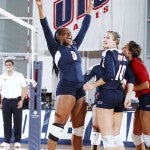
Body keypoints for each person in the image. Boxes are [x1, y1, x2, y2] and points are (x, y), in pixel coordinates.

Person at [35, 0, 93, 149]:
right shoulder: (55, 48)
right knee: (59, 124)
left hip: (80, 89)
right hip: (66, 87)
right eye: (66, 33)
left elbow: (84, 28)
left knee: (79, 128)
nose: (69, 35)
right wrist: (40, 7)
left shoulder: (75, 46)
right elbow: (45, 26)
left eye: (70, 33)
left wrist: (89, 10)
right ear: (59, 37)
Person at [84, 31, 135, 150]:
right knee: (116, 137)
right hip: (120, 96)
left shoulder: (108, 53)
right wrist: (128, 96)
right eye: (104, 37)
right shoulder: (123, 57)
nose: (105, 39)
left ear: (115, 42)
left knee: (107, 139)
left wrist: (93, 85)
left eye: (108, 37)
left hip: (107, 95)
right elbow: (131, 77)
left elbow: (109, 74)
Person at [122, 41, 150, 150]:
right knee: (136, 135)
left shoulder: (135, 63)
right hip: (142, 99)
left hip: (148, 98)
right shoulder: (130, 63)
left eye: (124, 47)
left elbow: (146, 85)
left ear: (129, 52)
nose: (122, 48)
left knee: (147, 137)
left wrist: (129, 89)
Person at [0, 59, 27, 148]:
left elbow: (24, 88)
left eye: (10, 65)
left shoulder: (19, 75)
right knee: (6, 122)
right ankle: (7, 141)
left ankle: (17, 141)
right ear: (5, 66)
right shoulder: (2, 77)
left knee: (17, 121)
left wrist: (22, 100)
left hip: (17, 101)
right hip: (5, 101)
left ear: (13, 66)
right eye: (7, 65)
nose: (8, 66)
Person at [84, 64, 104, 150]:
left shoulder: (120, 65)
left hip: (111, 100)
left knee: (110, 133)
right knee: (96, 129)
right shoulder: (96, 67)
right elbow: (83, 79)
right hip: (100, 99)